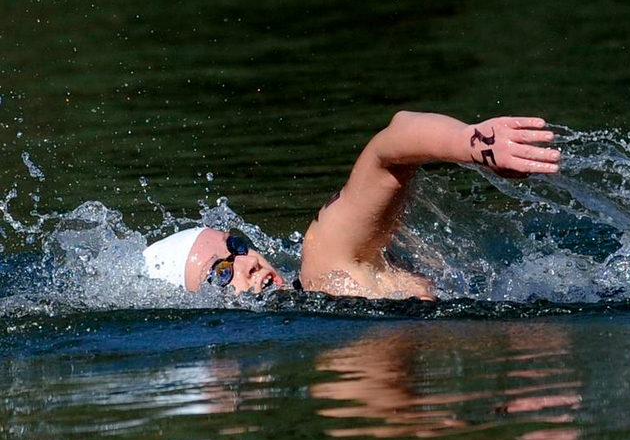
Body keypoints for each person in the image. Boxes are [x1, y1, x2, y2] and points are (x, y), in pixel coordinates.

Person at [143, 111, 562, 300]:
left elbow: (389, 147)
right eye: (220, 273)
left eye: (236, 246)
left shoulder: (324, 263)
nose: (247, 262)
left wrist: (474, 144)